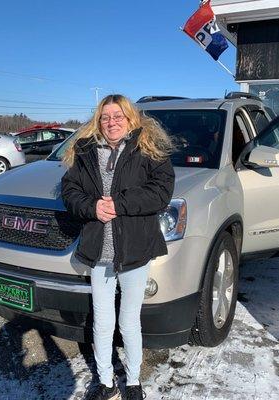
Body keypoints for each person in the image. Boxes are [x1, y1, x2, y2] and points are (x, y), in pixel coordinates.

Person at [61, 94, 175, 400]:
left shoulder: (149, 149)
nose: (111, 122)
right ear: (99, 121)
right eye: (105, 117)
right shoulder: (84, 151)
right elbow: (69, 192)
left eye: (118, 116)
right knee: (102, 321)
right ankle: (106, 382)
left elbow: (161, 192)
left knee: (128, 320)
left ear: (130, 118)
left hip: (135, 250)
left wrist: (120, 203)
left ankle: (134, 381)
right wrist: (92, 207)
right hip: (100, 252)